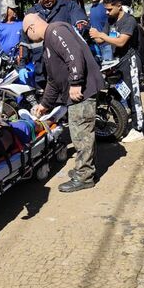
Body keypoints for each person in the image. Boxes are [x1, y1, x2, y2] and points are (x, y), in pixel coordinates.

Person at [24, 13, 105, 193]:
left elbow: (73, 54)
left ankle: (85, 176)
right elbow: (53, 80)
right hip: (76, 93)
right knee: (80, 132)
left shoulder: (55, 31)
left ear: (31, 28)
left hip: (81, 92)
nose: (28, 39)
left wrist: (76, 81)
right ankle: (83, 169)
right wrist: (45, 104)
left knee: (81, 133)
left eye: (26, 34)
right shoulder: (50, 40)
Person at [89, 0, 144, 143]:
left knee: (134, 94)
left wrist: (102, 35)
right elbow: (103, 40)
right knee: (120, 92)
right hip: (116, 62)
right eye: (106, 9)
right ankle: (124, 120)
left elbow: (120, 42)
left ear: (119, 6)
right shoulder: (111, 20)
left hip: (130, 61)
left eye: (109, 9)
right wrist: (95, 36)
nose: (107, 12)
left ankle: (138, 128)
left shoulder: (129, 21)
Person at [24, 0, 90, 88]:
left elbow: (82, 27)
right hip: (43, 71)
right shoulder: (32, 13)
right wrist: (22, 64)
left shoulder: (69, 7)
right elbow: (24, 40)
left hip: (67, 68)